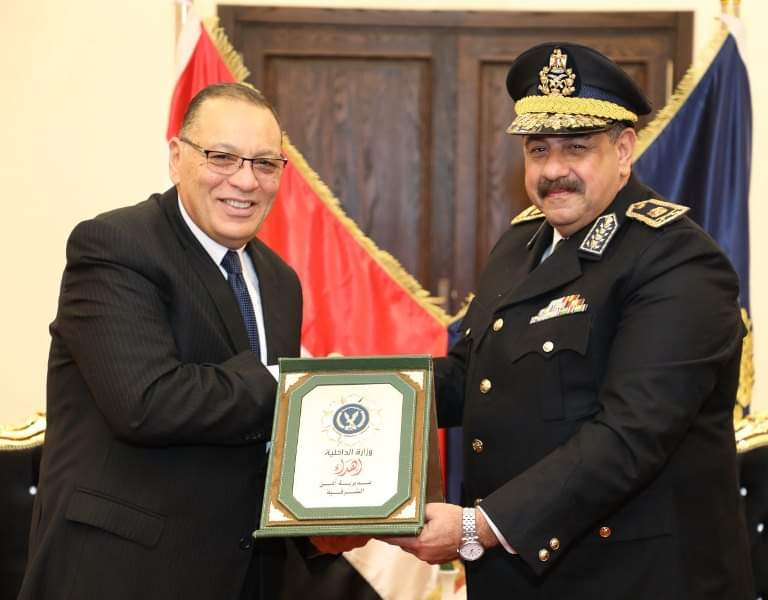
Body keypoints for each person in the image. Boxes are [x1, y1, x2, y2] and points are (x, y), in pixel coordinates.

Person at [383, 42, 754, 598]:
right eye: (538, 150)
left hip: (633, 579)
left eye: (576, 148)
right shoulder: (520, 245)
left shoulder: (677, 260)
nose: (553, 170)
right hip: (518, 574)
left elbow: (630, 434)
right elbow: (471, 377)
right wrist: (363, 393)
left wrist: (478, 527)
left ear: (623, 150)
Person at [18, 83, 302, 600]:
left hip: (241, 573)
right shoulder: (115, 246)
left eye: (265, 164)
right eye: (222, 157)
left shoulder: (281, 281)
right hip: (121, 573)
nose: (246, 180)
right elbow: (146, 402)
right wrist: (290, 385)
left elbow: (265, 438)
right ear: (176, 158)